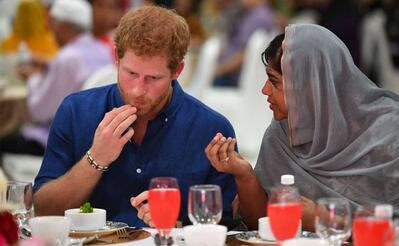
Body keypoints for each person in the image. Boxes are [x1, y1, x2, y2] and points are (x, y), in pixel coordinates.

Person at [33, 5, 237, 228]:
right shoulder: (76, 111)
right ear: (117, 59)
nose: (138, 90)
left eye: (153, 78)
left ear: (177, 71)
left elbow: (226, 228)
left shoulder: (211, 129)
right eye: (131, 73)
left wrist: (176, 224)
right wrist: (96, 159)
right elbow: (43, 211)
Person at [205, 23, 399, 231]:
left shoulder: (394, 135)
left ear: (310, 87)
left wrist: (327, 220)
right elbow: (258, 225)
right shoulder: (284, 132)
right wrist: (246, 176)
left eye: (274, 82)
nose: (264, 90)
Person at [0, 0, 112, 157]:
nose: (51, 31)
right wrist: (50, 66)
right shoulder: (101, 49)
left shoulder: (67, 58)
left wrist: (32, 79)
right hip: (90, 138)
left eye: (53, 25)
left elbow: (39, 111)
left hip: (59, 142)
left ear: (65, 26)